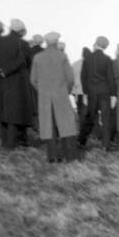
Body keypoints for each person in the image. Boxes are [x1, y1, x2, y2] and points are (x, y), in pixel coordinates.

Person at [30, 31, 79, 161]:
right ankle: (70, 156)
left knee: (48, 125)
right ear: (57, 42)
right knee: (67, 125)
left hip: (45, 96)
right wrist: (66, 91)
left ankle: (52, 156)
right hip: (61, 94)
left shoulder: (37, 57)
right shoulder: (62, 56)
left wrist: (42, 90)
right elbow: (70, 78)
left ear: (46, 42)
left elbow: (33, 79)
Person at [0, 19, 33, 149]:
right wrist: (6, 71)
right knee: (14, 113)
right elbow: (24, 62)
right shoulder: (22, 44)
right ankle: (12, 144)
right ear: (21, 31)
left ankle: (5, 142)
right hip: (17, 82)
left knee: (2, 111)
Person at [79, 36, 117, 150]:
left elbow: (83, 77)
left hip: (91, 92)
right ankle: (106, 144)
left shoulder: (88, 58)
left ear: (96, 44)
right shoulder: (107, 59)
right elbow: (111, 78)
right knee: (106, 118)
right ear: (105, 47)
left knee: (90, 117)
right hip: (104, 91)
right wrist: (113, 95)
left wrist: (85, 92)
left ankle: (81, 140)